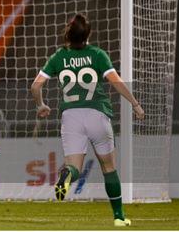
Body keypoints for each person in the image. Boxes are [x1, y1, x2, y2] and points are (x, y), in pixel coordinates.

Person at [30, 13, 145, 227]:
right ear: (87, 34)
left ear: (67, 34)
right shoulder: (97, 55)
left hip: (71, 117)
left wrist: (41, 105)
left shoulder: (58, 57)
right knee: (109, 167)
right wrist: (135, 104)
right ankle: (119, 217)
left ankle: (66, 174)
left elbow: (36, 86)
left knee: (74, 167)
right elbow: (116, 81)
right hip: (97, 114)